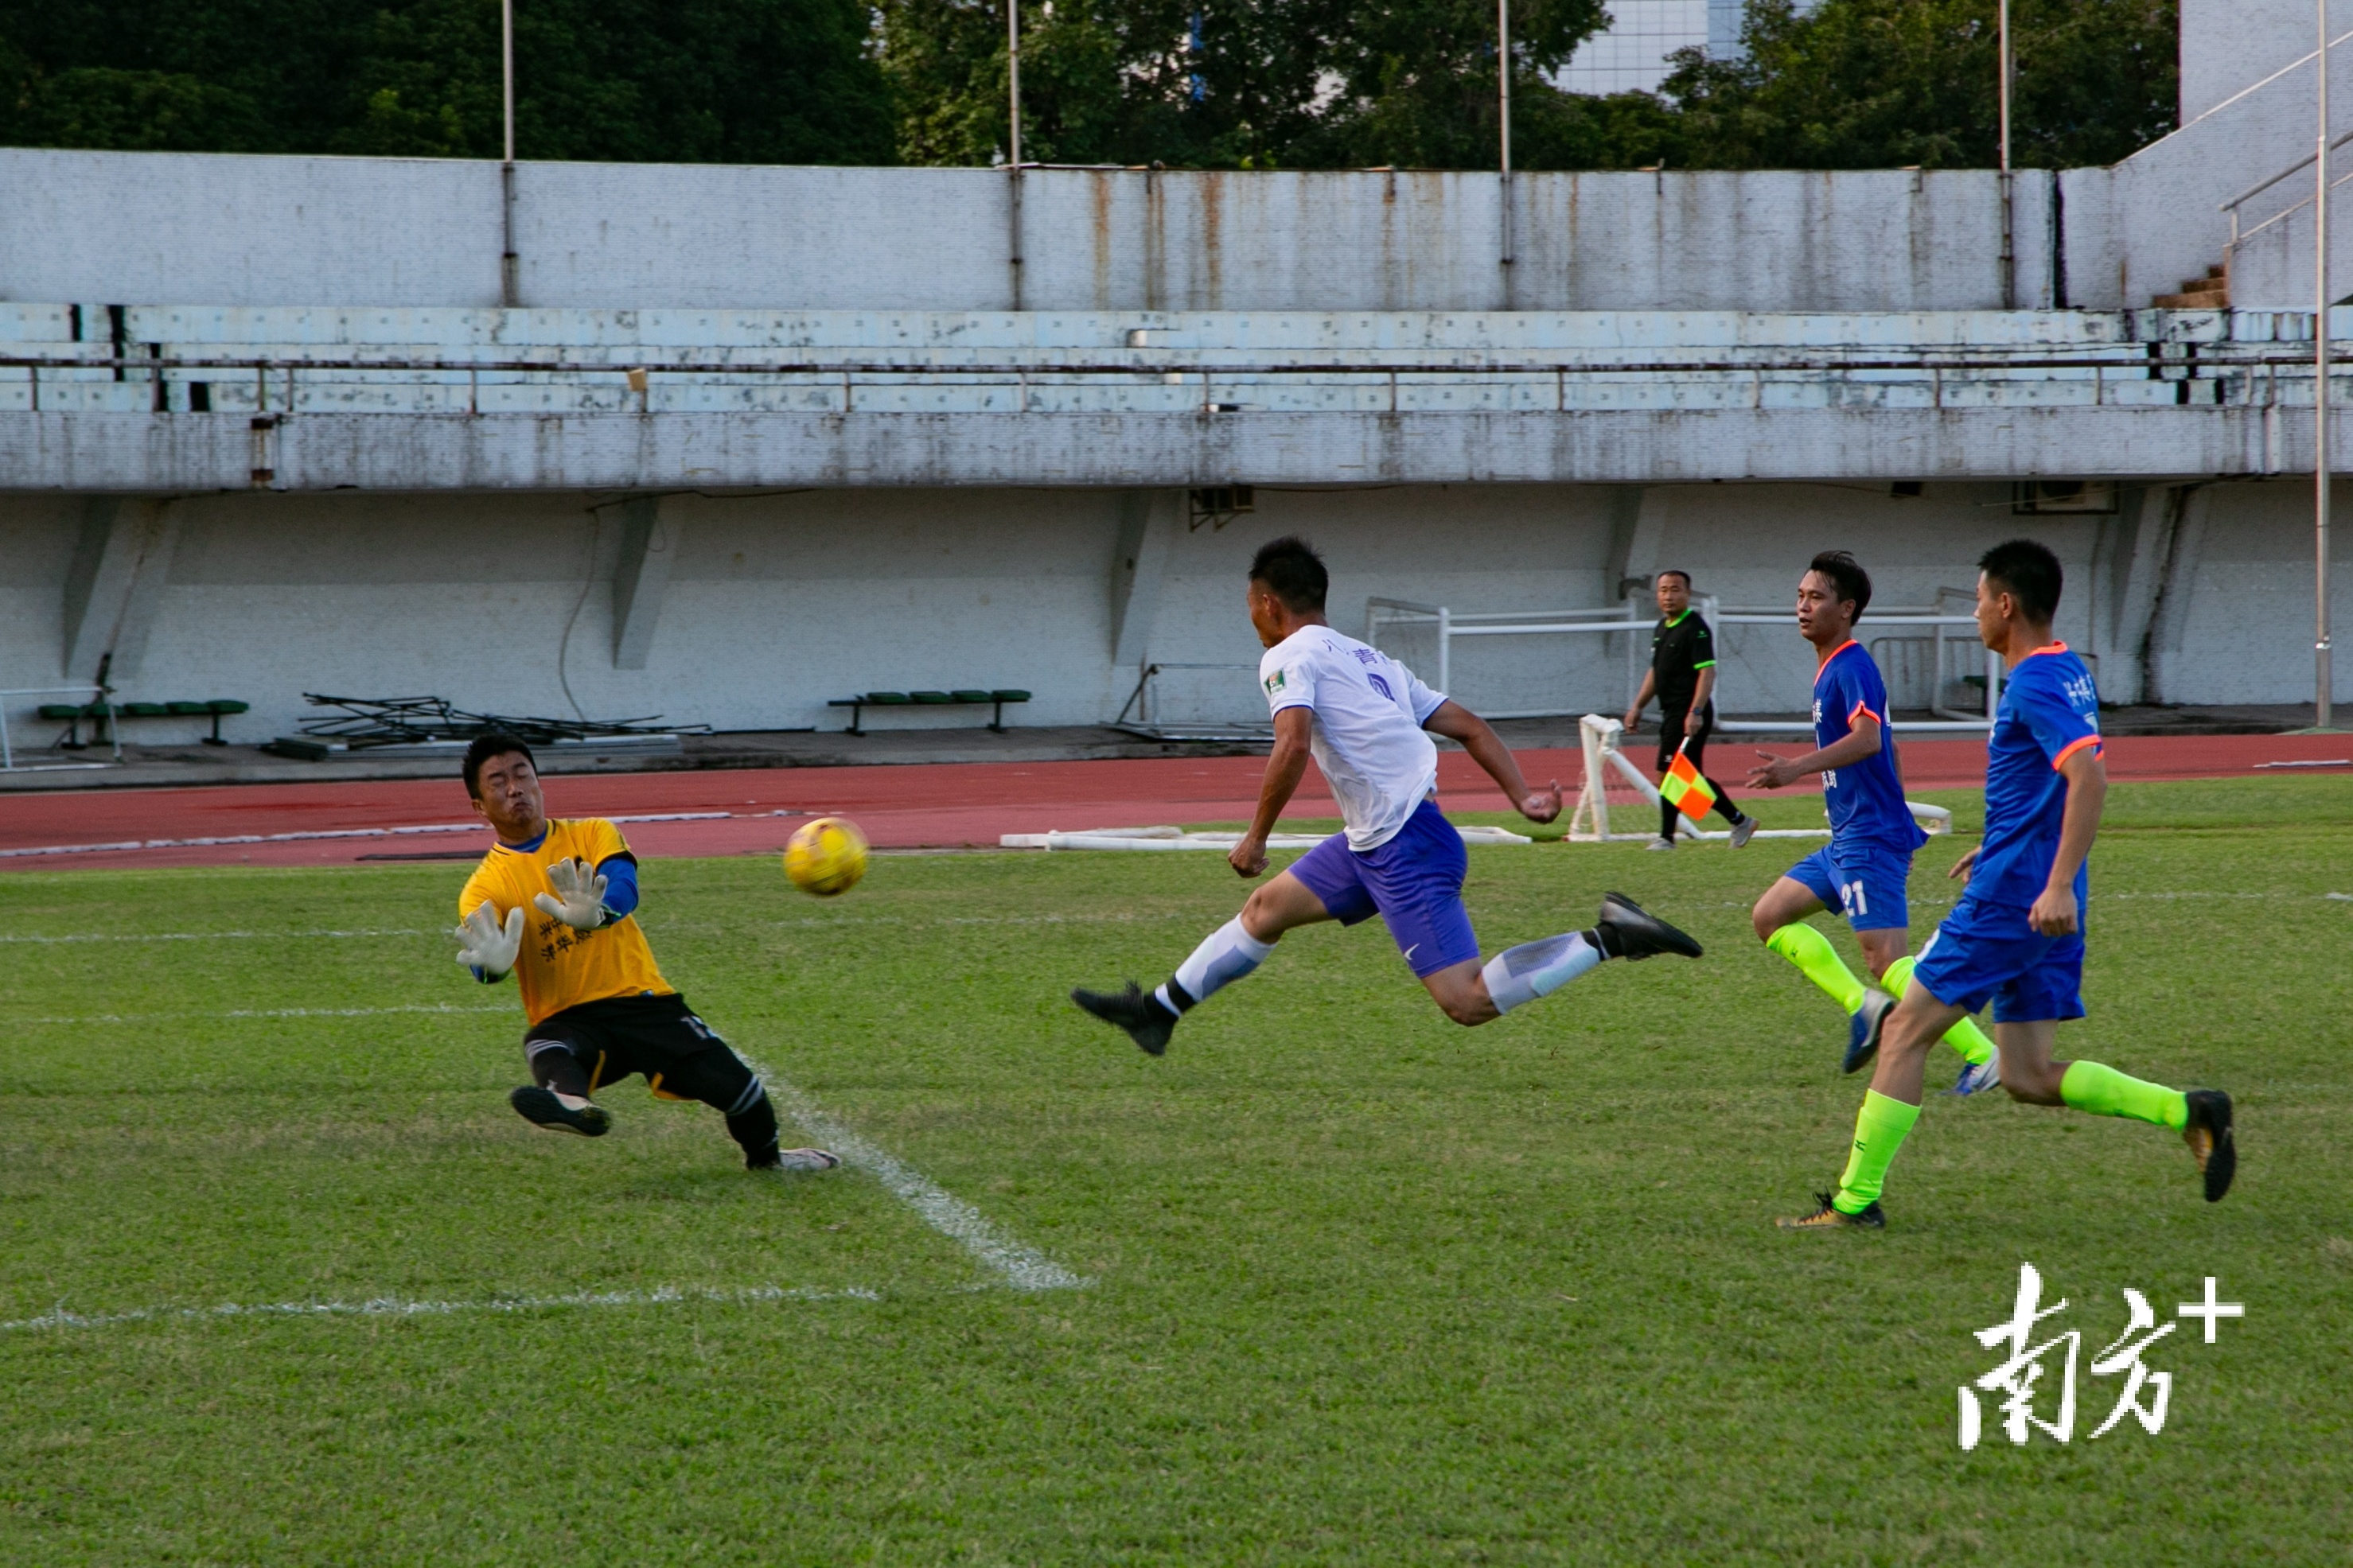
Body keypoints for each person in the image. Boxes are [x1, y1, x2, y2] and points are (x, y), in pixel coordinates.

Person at [1069, 535, 1702, 1054]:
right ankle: (1157, 1012)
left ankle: (1610, 936)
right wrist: (1521, 798)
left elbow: (1290, 745)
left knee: (1466, 1001)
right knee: (1265, 911)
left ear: (1266, 603)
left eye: (1249, 608)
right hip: (1378, 839)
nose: (1252, 620)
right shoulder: (1369, 658)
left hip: (1405, 846)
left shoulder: (1287, 655)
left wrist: (1255, 836)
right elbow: (1470, 725)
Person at [1778, 539, 2235, 1231]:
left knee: (1901, 1031)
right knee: (2026, 1075)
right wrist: (2004, 846)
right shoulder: (2066, 669)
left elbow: (2088, 777)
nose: (1973, 615)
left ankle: (1853, 1203)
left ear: (2004, 604)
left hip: (2015, 901)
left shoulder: (2033, 682)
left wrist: (2045, 881)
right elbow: (2047, 782)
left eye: (1976, 599)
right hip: (2041, 894)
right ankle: (2186, 1110)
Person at [451, 733, 840, 1173]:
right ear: (479, 807)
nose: (515, 788)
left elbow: (624, 884)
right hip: (573, 1017)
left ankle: (770, 1161)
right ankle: (573, 1105)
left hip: (644, 1002)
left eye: (522, 774)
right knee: (544, 1042)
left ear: (540, 782)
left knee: (745, 1095)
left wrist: (600, 913)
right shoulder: (483, 887)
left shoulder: (593, 832)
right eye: (498, 782)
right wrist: (491, 969)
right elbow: (484, 954)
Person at [1745, 551, 2000, 1091]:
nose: (1802, 607)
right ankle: (1864, 1006)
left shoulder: (1852, 664)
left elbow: (1866, 739)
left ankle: (1983, 1054)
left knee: (1885, 958)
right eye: (1799, 596)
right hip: (1851, 837)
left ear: (1846, 608)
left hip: (1868, 840)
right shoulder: (1831, 667)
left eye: (1815, 597)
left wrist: (1796, 768)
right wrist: (1893, 808)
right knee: (1769, 916)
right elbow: (1886, 743)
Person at [1623, 570, 1758, 850]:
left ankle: (1667, 838)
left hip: (1688, 712)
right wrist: (1637, 706)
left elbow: (1707, 673)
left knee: (1669, 773)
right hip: (1671, 711)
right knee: (1685, 777)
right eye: (1663, 590)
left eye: (1675, 590)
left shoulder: (1695, 628)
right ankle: (1738, 820)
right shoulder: (1662, 627)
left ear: (1687, 594)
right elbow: (1656, 672)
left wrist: (1695, 712)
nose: (1668, 596)